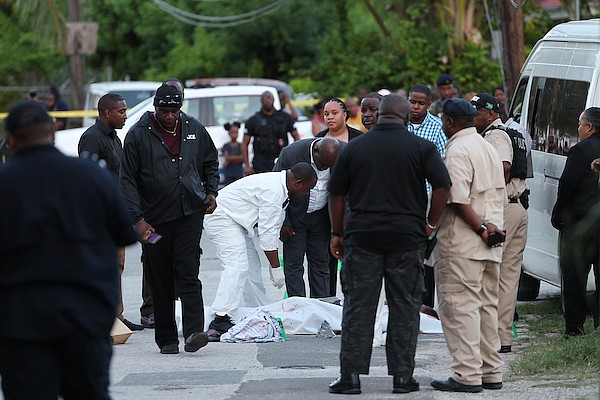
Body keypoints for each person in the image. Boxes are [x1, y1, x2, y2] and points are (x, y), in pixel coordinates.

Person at [0, 102, 138, 399]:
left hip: (22, 322)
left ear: (10, 139)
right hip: (85, 317)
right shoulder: (91, 175)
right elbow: (125, 234)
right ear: (53, 131)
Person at [327, 94, 451, 395]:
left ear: (380, 115)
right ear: (407, 117)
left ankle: (351, 378)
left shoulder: (355, 147)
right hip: (406, 239)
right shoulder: (421, 147)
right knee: (404, 307)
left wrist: (337, 232)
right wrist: (430, 223)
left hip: (362, 237)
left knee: (358, 306)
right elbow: (443, 187)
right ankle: (402, 378)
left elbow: (337, 194)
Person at [120, 83, 220, 355]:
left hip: (189, 214)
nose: (170, 116)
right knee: (160, 277)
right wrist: (137, 219)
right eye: (164, 110)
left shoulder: (193, 128)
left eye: (174, 110)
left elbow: (210, 161)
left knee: (188, 272)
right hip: (154, 220)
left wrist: (211, 190)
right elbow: (127, 180)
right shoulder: (138, 135)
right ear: (155, 108)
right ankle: (166, 339)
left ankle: (193, 332)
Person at [431, 98, 506, 393]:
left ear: (449, 122)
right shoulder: (486, 146)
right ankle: (491, 371)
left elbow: (457, 198)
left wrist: (480, 229)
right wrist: (492, 230)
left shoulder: (458, 150)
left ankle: (466, 374)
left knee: (460, 308)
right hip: (492, 242)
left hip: (464, 242)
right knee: (487, 307)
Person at [204, 163, 317, 342]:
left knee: (252, 268)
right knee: (237, 265)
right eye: (307, 189)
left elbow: (271, 227)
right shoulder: (274, 191)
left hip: (235, 220)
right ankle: (220, 319)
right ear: (298, 183)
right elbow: (267, 235)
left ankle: (257, 310)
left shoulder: (278, 185)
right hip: (222, 218)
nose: (306, 194)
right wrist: (276, 268)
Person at [77, 93, 144, 332]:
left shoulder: (115, 138)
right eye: (121, 111)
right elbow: (87, 180)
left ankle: (117, 316)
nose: (125, 115)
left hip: (117, 212)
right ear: (107, 112)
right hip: (99, 215)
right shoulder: (92, 138)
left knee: (117, 266)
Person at [471, 93, 529, 353]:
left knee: (492, 274)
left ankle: (494, 336)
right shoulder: (507, 133)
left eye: (477, 112)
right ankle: (502, 337)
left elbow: (503, 167)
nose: (473, 117)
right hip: (516, 207)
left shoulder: (496, 135)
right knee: (507, 277)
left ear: (491, 113)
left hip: (503, 209)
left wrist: (488, 197)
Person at [551, 107, 600, 336]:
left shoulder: (581, 150)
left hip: (581, 224)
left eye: (580, 124)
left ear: (589, 127)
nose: (578, 129)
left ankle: (575, 328)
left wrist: (560, 216)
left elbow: (568, 185)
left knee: (574, 278)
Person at [273, 138, 342, 298]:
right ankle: (297, 309)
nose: (324, 168)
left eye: (328, 165)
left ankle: (321, 307)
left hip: (321, 218)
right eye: (322, 163)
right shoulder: (291, 154)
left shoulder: (343, 152)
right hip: (295, 218)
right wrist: (284, 221)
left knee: (321, 264)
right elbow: (275, 188)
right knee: (294, 265)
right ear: (315, 151)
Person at [407, 84, 448, 308]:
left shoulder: (436, 127)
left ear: (428, 105)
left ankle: (426, 305)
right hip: (403, 196)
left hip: (427, 196)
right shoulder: (399, 124)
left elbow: (442, 162)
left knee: (425, 252)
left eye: (420, 103)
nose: (415, 107)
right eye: (412, 102)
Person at [316, 98, 363, 295]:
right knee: (327, 256)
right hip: (325, 206)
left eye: (334, 113)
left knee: (353, 257)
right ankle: (329, 299)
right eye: (326, 114)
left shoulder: (358, 139)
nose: (330, 117)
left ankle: (352, 298)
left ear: (345, 115)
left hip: (353, 205)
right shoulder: (318, 139)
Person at [242, 90, 300, 174]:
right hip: (261, 161)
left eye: (270, 98)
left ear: (273, 100)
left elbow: (296, 137)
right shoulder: (254, 120)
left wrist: (294, 157)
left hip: (281, 158)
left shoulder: (284, 117)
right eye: (266, 98)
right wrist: (247, 165)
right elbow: (244, 143)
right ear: (261, 101)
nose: (268, 100)